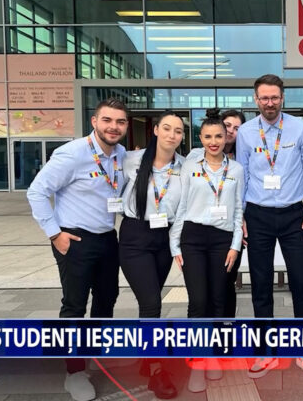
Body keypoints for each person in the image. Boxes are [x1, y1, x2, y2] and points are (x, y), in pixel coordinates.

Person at [26, 98, 129, 401]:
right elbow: (37, 192)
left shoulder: (121, 154)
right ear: (94, 121)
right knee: (74, 304)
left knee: (107, 298)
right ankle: (74, 372)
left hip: (107, 237)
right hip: (75, 238)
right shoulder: (72, 154)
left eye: (120, 122)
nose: (113, 127)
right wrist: (54, 234)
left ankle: (95, 354)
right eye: (107, 120)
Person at [235, 74, 303, 380]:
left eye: (274, 97)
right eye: (264, 98)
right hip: (257, 215)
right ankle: (265, 349)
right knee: (261, 282)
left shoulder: (299, 129)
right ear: (255, 100)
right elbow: (242, 175)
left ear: (282, 98)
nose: (269, 103)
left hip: (293, 215)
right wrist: (241, 215)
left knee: (300, 279)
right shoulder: (245, 132)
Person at [170, 109, 244, 393]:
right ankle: (198, 362)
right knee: (198, 301)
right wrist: (175, 244)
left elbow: (238, 209)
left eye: (219, 136)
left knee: (218, 299)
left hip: (223, 239)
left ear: (226, 138)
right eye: (208, 137)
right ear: (200, 138)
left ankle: (214, 356)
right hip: (193, 237)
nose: (214, 142)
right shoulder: (190, 166)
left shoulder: (236, 169)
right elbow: (181, 206)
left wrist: (235, 245)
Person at [119, 111, 185, 400]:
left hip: (165, 237)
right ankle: (157, 370)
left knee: (151, 301)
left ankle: (147, 357)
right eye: (167, 128)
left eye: (178, 131)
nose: (172, 135)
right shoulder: (130, 160)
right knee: (151, 302)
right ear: (156, 130)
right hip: (135, 236)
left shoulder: (185, 165)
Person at [186, 108, 246, 317]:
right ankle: (198, 337)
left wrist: (237, 237)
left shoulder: (239, 163)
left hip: (226, 232)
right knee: (199, 298)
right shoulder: (193, 160)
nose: (230, 132)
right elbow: (185, 202)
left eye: (236, 128)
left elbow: (240, 202)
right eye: (227, 126)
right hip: (196, 233)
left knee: (223, 290)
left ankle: (224, 333)